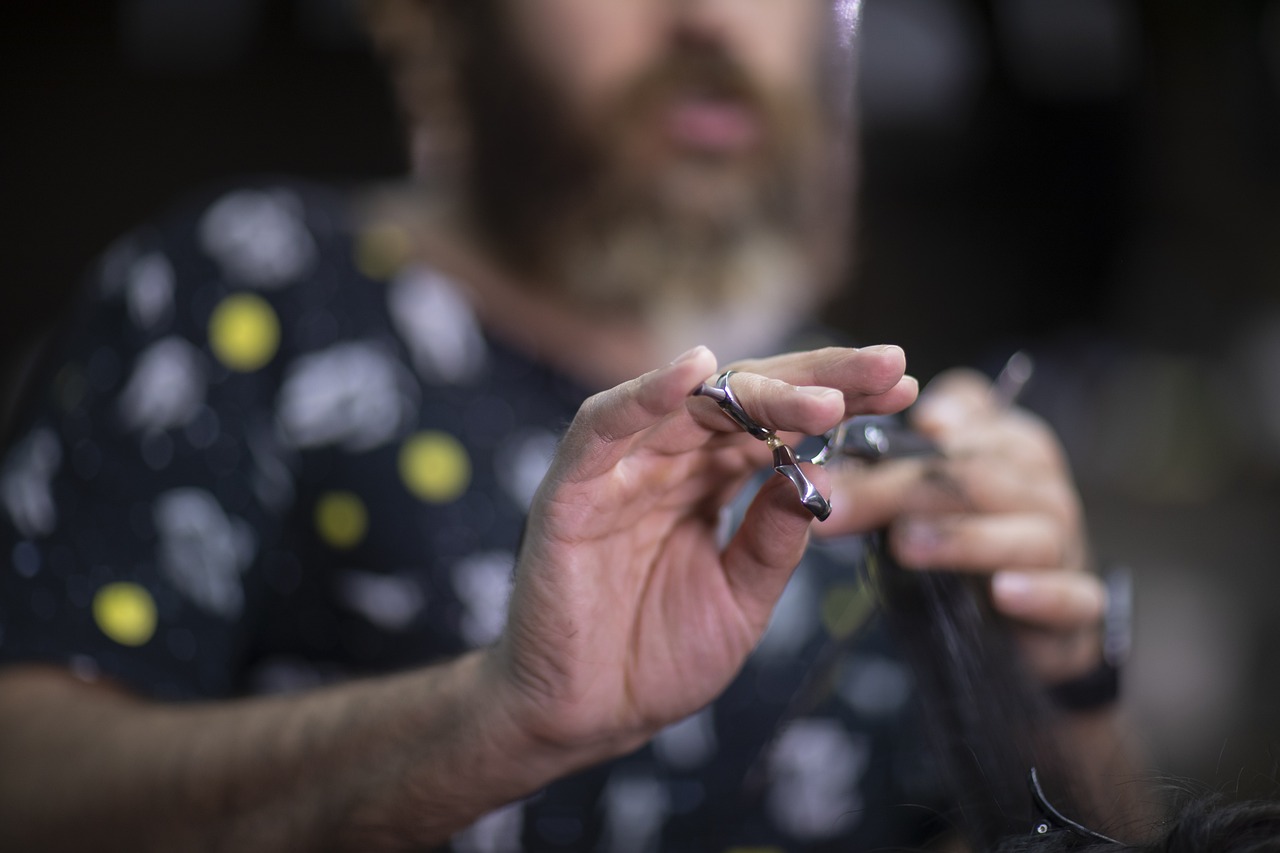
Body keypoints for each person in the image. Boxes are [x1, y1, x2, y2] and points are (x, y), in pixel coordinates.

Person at [0, 1, 1137, 849]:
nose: (704, 18)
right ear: (442, 24)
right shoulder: (246, 292)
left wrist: (1055, 698)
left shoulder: (850, 409)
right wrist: (486, 725)